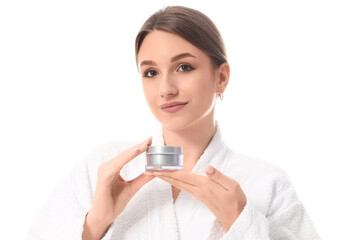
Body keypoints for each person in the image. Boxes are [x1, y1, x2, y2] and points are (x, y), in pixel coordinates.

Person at [27, 6, 320, 240]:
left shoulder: (268, 182)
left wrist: (242, 223)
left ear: (221, 76)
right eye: (151, 72)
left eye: (184, 67)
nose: (165, 88)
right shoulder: (103, 170)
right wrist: (95, 223)